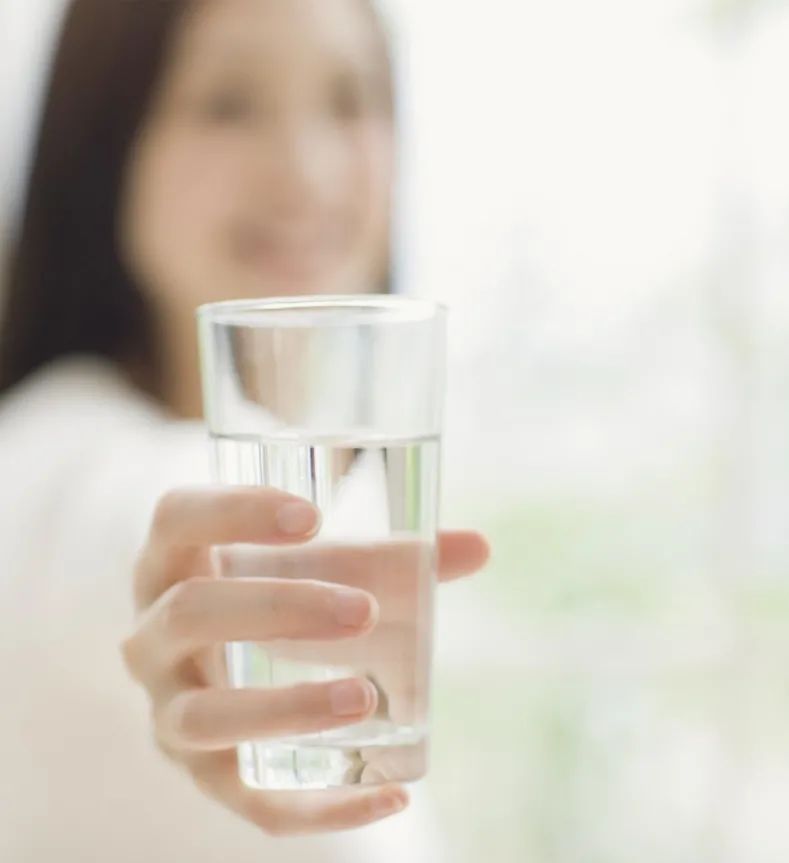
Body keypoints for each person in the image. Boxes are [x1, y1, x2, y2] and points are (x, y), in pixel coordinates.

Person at [0, 1, 489, 860]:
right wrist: (185, 579)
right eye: (227, 104)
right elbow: (115, 516)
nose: (306, 171)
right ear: (105, 144)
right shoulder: (52, 448)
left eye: (349, 99)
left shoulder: (350, 484)